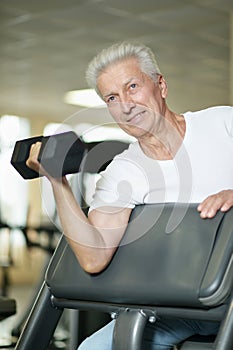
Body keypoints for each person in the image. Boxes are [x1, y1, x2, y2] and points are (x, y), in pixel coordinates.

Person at [26, 42, 233, 349]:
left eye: (132, 86)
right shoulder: (122, 172)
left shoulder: (223, 123)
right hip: (176, 307)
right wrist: (57, 181)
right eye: (112, 97)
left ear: (160, 85)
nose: (125, 104)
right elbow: (94, 257)